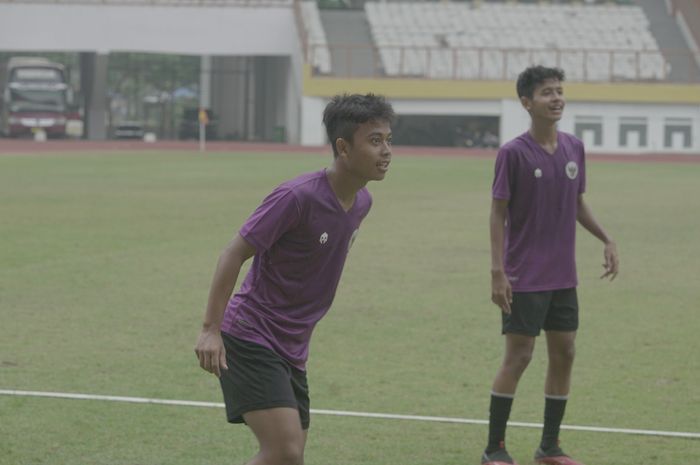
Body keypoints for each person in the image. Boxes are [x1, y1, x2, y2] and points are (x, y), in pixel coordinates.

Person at [194, 93, 394, 465]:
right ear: (343, 147)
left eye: (388, 139)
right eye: (375, 140)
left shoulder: (362, 203)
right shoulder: (296, 197)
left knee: (291, 457)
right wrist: (210, 328)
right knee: (284, 452)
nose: (386, 151)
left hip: (293, 346)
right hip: (252, 334)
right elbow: (232, 253)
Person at [481, 66, 619, 465]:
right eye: (546, 92)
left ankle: (549, 447)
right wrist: (497, 270)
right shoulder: (512, 153)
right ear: (527, 102)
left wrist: (606, 238)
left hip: (563, 276)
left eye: (559, 91)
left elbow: (576, 202)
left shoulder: (575, 147)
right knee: (518, 357)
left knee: (565, 353)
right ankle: (494, 449)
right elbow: (497, 213)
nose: (556, 98)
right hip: (524, 275)